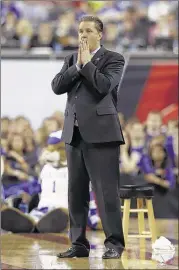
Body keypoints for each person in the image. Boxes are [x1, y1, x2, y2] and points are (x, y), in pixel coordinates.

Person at [51, 15, 125, 259]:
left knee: (106, 193)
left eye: (88, 31)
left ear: (100, 34)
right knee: (76, 193)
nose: (83, 35)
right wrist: (77, 66)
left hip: (103, 136)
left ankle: (114, 244)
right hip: (74, 135)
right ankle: (79, 244)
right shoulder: (71, 59)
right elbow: (57, 86)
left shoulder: (114, 59)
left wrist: (88, 64)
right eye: (80, 30)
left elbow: (104, 86)